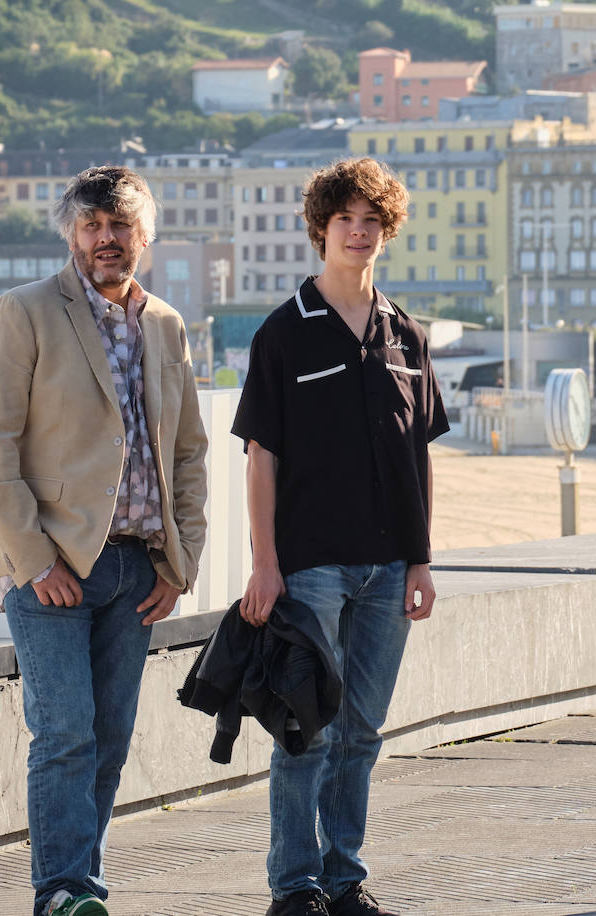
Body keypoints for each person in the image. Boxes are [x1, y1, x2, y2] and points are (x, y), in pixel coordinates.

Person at [0, 166, 209, 916]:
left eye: (121, 226)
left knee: (108, 737)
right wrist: (36, 562)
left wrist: (181, 563)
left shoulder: (164, 324)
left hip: (137, 569)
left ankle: (80, 886)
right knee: (64, 733)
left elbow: (190, 454)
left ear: (144, 236)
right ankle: (62, 891)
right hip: (51, 570)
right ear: (73, 233)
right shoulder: (26, 312)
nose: (108, 239)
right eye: (93, 226)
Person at [231, 158, 449, 916]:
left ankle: (342, 877)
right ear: (320, 229)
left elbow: (418, 456)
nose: (359, 233)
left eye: (372, 222)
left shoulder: (406, 336)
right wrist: (265, 564)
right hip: (309, 566)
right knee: (305, 732)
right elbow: (261, 459)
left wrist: (421, 560)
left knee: (362, 732)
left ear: (385, 233)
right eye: (345, 221)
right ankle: (293, 887)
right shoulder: (283, 333)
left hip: (391, 567)